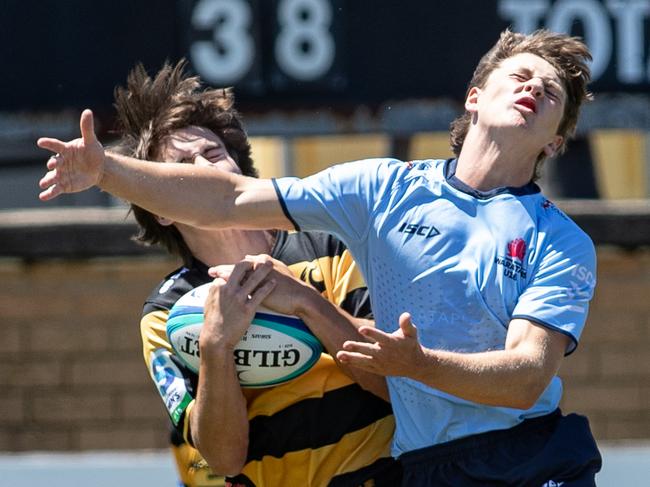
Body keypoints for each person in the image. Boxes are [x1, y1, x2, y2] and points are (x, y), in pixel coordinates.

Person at [38, 29, 602, 485]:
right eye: (520, 76)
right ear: (474, 97)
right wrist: (105, 171)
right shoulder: (380, 190)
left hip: (533, 457)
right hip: (427, 467)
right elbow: (229, 200)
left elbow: (527, 378)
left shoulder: (563, 242)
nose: (533, 89)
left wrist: (411, 362)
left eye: (551, 93)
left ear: (556, 141)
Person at [105, 62, 401, 487]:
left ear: (239, 169)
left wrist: (305, 302)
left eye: (212, 154)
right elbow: (223, 459)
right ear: (161, 209)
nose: (203, 169)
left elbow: (394, 385)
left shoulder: (332, 245)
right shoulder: (167, 312)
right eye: (182, 166)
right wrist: (216, 345)